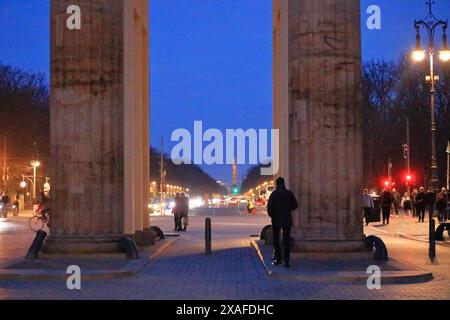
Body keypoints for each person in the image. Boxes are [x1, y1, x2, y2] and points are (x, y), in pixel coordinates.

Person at [267, 177, 298, 268]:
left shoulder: (274, 194)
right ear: (284, 184)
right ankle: (287, 261)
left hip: (276, 220)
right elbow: (295, 205)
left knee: (276, 239)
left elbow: (269, 208)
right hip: (287, 219)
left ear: (277, 184)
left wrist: (273, 215)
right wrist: (288, 210)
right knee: (286, 240)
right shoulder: (289, 194)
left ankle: (278, 259)